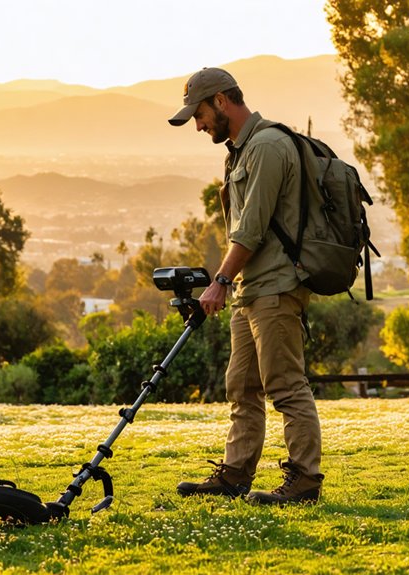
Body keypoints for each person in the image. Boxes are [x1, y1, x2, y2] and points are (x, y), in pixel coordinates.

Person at [168, 67, 324, 505]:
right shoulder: (240, 150)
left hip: (276, 285)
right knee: (242, 386)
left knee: (286, 385)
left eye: (199, 115)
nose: (198, 126)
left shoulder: (269, 147)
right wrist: (231, 283)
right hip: (251, 289)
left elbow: (251, 230)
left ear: (220, 101)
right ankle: (235, 474)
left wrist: (219, 281)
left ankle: (305, 481)